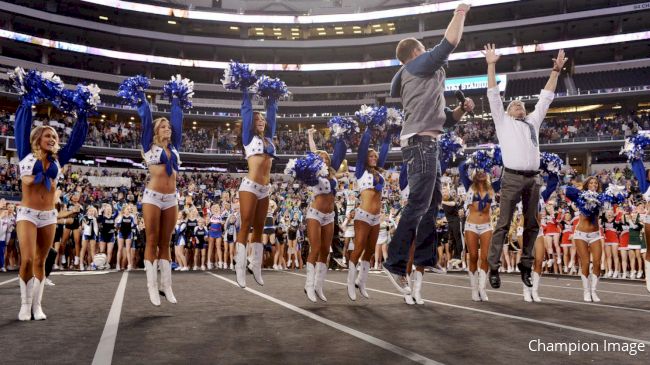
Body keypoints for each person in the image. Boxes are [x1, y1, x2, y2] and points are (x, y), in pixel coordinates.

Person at [383, 3, 475, 294]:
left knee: (432, 203)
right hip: (421, 144)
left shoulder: (423, 76)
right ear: (414, 54)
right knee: (419, 205)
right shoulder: (417, 65)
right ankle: (395, 262)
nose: (428, 54)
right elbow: (449, 43)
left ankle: (425, 256)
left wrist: (461, 110)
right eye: (423, 50)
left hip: (428, 142)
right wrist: (459, 13)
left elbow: (445, 119)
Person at [482, 43, 567, 289]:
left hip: (534, 178)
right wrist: (491, 65)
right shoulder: (503, 121)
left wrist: (556, 71)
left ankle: (526, 266)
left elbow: (546, 98)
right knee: (504, 223)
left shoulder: (532, 122)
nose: (519, 106)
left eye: (521, 105)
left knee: (532, 224)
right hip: (512, 178)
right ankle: (494, 268)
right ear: (508, 112)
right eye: (514, 105)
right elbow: (492, 95)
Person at [15, 74, 91, 320]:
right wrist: (27, 100)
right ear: (38, 138)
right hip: (27, 214)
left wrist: (83, 114)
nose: (52, 138)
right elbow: (22, 125)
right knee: (26, 259)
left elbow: (76, 141)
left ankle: (37, 305)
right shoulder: (25, 153)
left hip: (49, 215)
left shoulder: (59, 160)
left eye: (55, 136)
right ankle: (25, 305)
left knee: (41, 260)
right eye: (47, 135)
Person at [124, 75, 190, 306]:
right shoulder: (148, 146)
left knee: (167, 241)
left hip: (172, 198)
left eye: (168, 126)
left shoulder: (175, 147)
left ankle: (166, 286)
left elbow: (178, 119)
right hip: (152, 197)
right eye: (163, 126)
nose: (168, 128)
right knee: (151, 239)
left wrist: (176, 99)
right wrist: (141, 95)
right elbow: (146, 116)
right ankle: (152, 286)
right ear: (155, 130)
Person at [234, 82, 280, 288]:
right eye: (258, 119)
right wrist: (246, 90)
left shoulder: (269, 138)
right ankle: (240, 267)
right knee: (246, 225)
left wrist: (273, 96)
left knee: (260, 228)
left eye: (262, 119)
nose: (261, 121)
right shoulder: (248, 137)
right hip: (250, 186)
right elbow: (246, 109)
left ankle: (256, 265)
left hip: (264, 188)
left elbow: (272, 113)